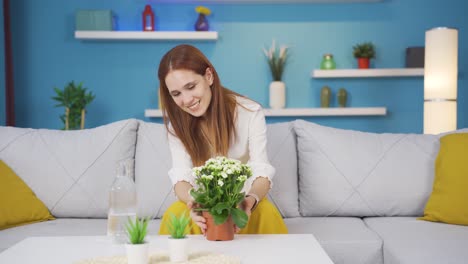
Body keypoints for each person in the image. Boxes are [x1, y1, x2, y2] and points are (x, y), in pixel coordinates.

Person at [157, 44, 288, 235]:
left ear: (208, 76)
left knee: (266, 211)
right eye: (176, 94)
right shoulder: (176, 126)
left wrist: (250, 201)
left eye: (191, 87)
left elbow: (261, 170)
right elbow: (181, 177)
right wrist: (194, 203)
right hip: (202, 207)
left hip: (245, 203)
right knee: (174, 213)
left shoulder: (249, 112)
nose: (186, 100)